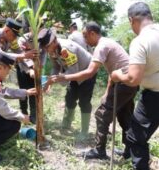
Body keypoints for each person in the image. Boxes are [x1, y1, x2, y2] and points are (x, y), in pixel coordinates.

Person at [111, 2, 159, 170]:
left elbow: (133, 78)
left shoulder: (139, 42)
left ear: (132, 20)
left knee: (135, 136)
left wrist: (117, 76)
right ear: (150, 16)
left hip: (158, 96)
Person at [51, 21, 138, 160]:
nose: (84, 39)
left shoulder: (101, 46)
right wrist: (107, 92)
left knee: (102, 115)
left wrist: (63, 77)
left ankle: (100, 151)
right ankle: (129, 151)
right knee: (125, 116)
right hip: (129, 82)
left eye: (85, 36)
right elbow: (113, 72)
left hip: (124, 83)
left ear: (92, 33)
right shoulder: (107, 43)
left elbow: (89, 72)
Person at [38, 28, 97, 139]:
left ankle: (84, 131)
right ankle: (66, 125)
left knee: (84, 101)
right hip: (73, 72)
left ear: (54, 41)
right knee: (70, 97)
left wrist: (56, 80)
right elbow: (56, 67)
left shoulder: (67, 49)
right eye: (44, 48)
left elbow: (73, 73)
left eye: (47, 47)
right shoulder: (52, 50)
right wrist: (49, 81)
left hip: (87, 72)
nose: (46, 50)